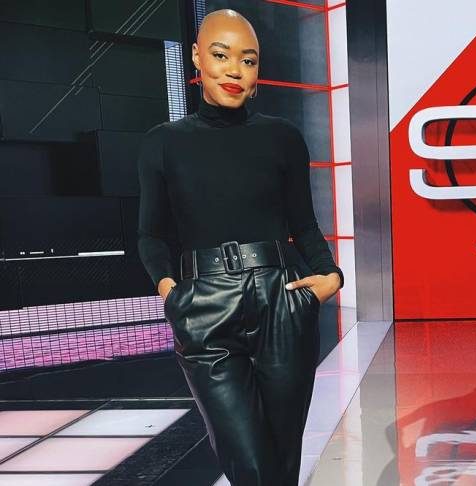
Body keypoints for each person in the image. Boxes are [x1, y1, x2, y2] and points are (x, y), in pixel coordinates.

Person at [137, 8, 344, 486]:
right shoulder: (162, 143)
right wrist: (171, 292)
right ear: (196, 57)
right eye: (221, 55)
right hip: (204, 306)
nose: (234, 70)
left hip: (281, 300)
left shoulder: (282, 137)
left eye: (247, 60)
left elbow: (304, 225)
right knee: (249, 464)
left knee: (282, 462)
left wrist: (330, 276)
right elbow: (151, 235)